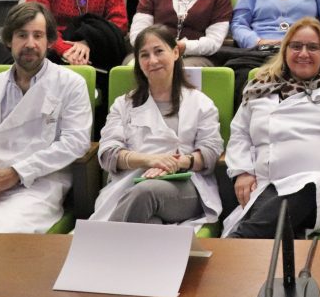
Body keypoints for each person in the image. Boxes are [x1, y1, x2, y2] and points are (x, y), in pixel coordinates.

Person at [222, 18, 320, 238]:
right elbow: (240, 134)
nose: (303, 53)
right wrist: (242, 172)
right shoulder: (259, 88)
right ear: (285, 50)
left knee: (312, 185)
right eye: (296, 46)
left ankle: (241, 239)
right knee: (276, 200)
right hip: (266, 188)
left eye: (313, 47)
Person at [0, 2, 92, 233]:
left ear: (49, 41)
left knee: (10, 232)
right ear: (9, 40)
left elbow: (76, 142)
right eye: (22, 35)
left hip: (39, 184)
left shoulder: (70, 84)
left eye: (38, 35)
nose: (30, 43)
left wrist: (17, 173)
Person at [91, 25, 222, 225]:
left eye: (159, 51)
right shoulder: (123, 104)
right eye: (144, 55)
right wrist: (150, 160)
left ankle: (105, 241)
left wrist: (178, 162)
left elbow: (211, 152)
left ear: (175, 52)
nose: (152, 60)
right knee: (150, 222)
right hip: (130, 182)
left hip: (183, 185)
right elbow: (108, 154)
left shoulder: (200, 103)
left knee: (145, 192)